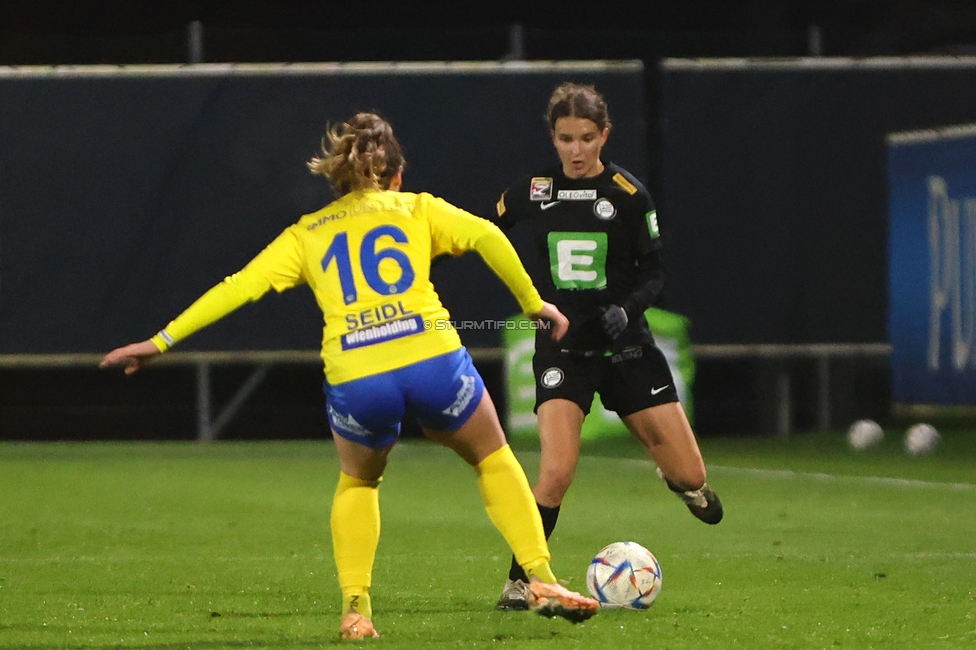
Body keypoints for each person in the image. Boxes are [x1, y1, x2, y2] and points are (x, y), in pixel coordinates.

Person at [100, 112, 599, 639]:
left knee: (359, 480)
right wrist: (532, 303)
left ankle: (357, 608)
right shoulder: (418, 209)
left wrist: (160, 342)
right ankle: (539, 577)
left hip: (359, 374)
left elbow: (238, 286)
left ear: (338, 179)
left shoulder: (307, 233)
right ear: (397, 175)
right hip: (432, 359)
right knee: (492, 456)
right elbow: (487, 236)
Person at [491, 83, 723, 611]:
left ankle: (680, 481)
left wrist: (628, 309)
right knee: (555, 471)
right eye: (566, 138)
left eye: (587, 138)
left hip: (626, 348)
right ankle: (520, 581)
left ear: (605, 136)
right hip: (563, 348)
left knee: (693, 475)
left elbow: (654, 271)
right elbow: (482, 231)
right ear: (553, 138)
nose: (576, 150)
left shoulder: (627, 194)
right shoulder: (534, 191)